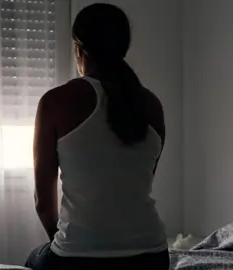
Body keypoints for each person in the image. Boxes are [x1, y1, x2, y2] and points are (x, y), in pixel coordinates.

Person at [25, 3, 169, 270]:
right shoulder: (152, 105)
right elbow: (135, 185)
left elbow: (43, 204)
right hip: (152, 256)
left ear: (79, 48)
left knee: (33, 260)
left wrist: (70, 244)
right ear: (123, 47)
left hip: (78, 258)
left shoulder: (55, 102)